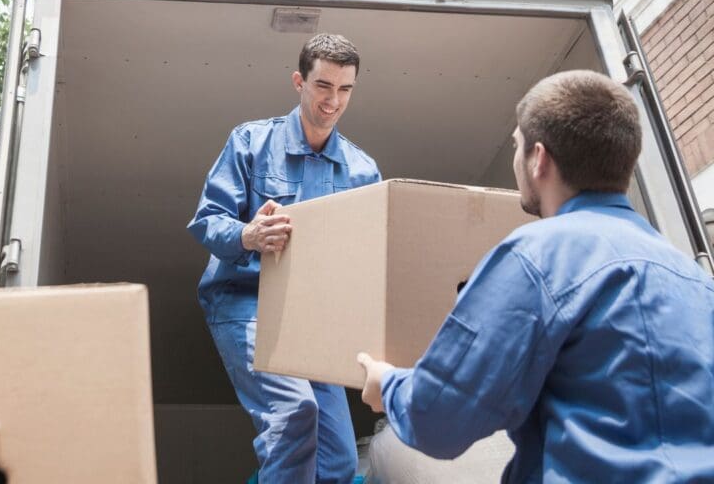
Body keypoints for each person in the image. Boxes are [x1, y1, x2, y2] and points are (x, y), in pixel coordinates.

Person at [357, 70, 714, 482]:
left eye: (516, 146)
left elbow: (438, 418)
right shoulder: (693, 277)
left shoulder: (536, 256)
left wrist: (388, 386)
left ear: (539, 158)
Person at [188, 34, 381, 483]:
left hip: (314, 319)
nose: (333, 100)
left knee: (339, 461)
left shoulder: (362, 170)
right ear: (299, 81)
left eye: (345, 89)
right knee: (296, 413)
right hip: (245, 303)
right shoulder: (251, 142)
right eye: (323, 86)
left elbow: (367, 259)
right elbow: (206, 221)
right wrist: (249, 234)